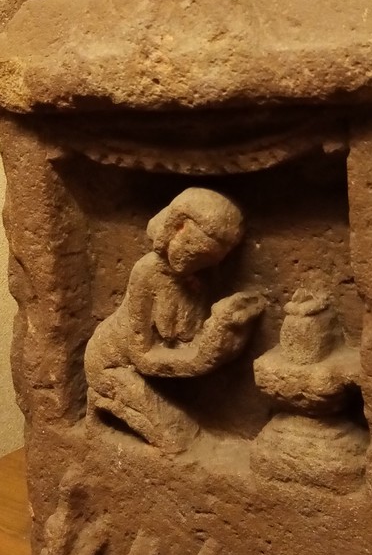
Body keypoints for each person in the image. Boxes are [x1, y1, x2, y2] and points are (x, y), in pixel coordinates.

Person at [84, 187, 264, 451]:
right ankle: (103, 399)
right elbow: (141, 355)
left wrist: (223, 331)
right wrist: (198, 360)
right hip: (111, 365)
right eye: (194, 253)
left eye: (206, 261)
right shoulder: (147, 273)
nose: (196, 266)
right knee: (176, 439)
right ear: (177, 229)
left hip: (157, 373)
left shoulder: (201, 279)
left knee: (187, 432)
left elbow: (194, 339)